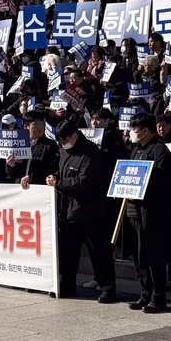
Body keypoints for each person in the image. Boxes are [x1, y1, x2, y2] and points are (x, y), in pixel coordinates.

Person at [50, 120, 116, 302]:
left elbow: (84, 181)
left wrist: (59, 183)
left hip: (89, 211)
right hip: (68, 211)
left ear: (74, 135)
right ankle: (68, 284)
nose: (63, 144)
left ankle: (107, 288)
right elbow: (62, 171)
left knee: (98, 252)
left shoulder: (91, 153)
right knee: (68, 253)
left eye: (65, 140)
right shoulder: (65, 150)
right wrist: (55, 176)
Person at [124, 113, 171, 313]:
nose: (132, 133)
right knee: (140, 255)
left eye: (135, 129)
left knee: (154, 254)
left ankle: (159, 297)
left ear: (145, 130)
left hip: (153, 211)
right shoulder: (136, 149)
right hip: (135, 210)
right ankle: (145, 293)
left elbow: (163, 181)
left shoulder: (159, 150)